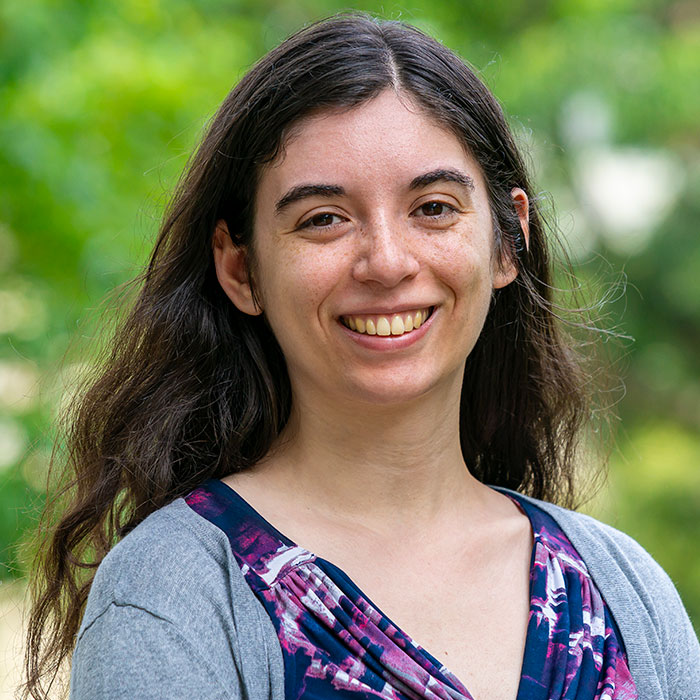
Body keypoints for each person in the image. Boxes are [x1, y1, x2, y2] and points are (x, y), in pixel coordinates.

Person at [20, 12, 699, 700]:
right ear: (240, 268)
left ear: (505, 242)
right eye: (323, 219)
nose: (386, 261)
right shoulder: (174, 594)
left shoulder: (626, 591)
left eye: (433, 207)